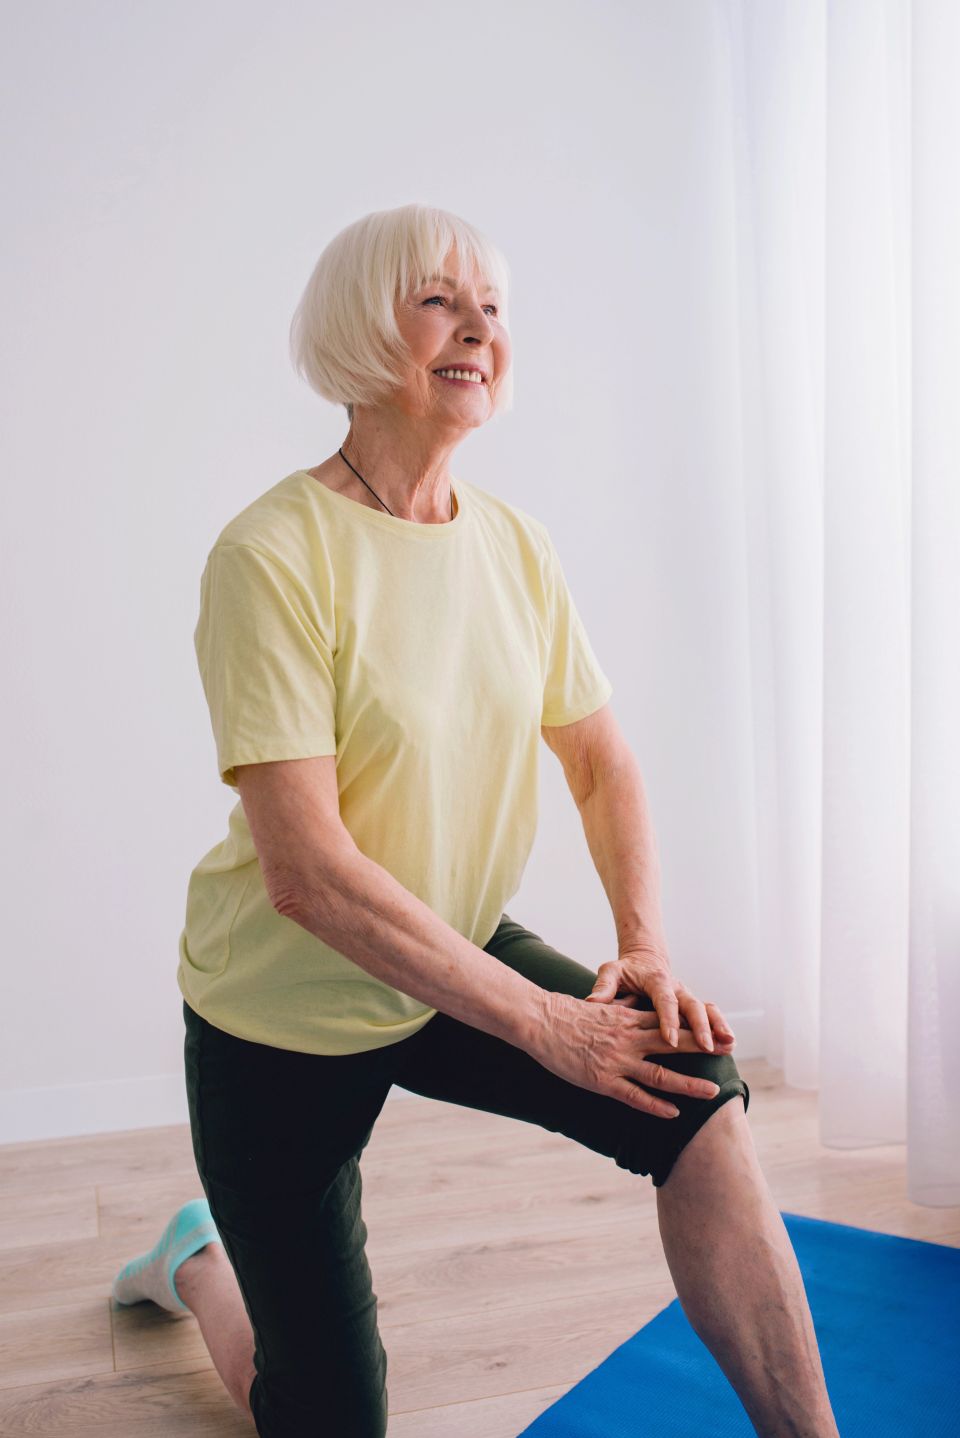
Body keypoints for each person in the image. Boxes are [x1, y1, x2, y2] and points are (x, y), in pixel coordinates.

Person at [111, 204, 840, 1438]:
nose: (478, 329)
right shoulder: (272, 554)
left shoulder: (514, 546)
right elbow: (308, 874)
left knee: (697, 1095)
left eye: (492, 308)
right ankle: (197, 1260)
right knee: (323, 1416)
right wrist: (549, 1025)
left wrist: (643, 950)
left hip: (448, 949)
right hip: (281, 1008)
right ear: (359, 331)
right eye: (438, 302)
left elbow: (601, 762)